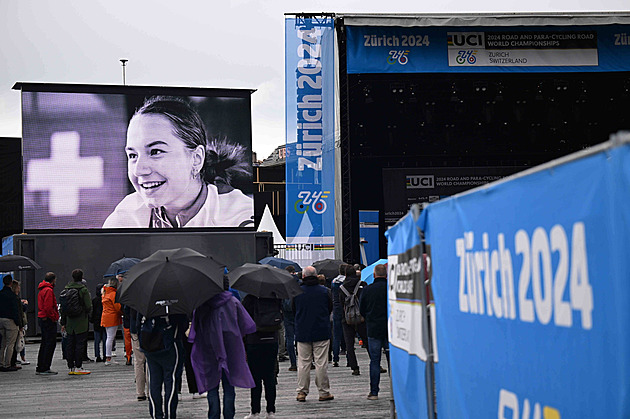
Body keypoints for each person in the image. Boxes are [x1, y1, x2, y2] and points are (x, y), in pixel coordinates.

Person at [103, 95, 254, 229]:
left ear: (196, 159)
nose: (138, 170)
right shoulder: (127, 215)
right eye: (132, 155)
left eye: (155, 152)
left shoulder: (241, 217)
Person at [189, 290, 256, 419]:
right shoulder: (233, 302)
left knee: (212, 386)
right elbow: (246, 325)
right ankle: (229, 415)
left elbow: (195, 329)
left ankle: (213, 415)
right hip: (231, 348)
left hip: (208, 349)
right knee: (229, 385)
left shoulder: (201, 305)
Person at [292, 266, 334, 402]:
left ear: (303, 276)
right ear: (316, 276)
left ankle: (302, 392)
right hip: (321, 330)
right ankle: (323, 392)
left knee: (303, 363)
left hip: (302, 331)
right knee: (321, 363)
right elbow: (330, 308)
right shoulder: (325, 291)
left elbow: (293, 309)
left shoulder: (296, 292)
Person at [137, 311, 188, 419]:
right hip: (170, 346)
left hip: (149, 347)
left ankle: (156, 414)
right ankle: (169, 413)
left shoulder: (145, 302)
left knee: (154, 382)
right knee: (171, 381)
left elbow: (137, 325)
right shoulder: (175, 303)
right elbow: (183, 325)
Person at [242, 294, 282, 418]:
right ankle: (271, 410)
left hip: (254, 341)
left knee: (255, 378)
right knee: (270, 377)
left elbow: (243, 320)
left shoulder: (249, 299)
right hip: (272, 340)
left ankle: (255, 411)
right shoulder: (275, 298)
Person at [359, 264, 390, 400]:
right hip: (390, 330)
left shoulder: (367, 290)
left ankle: (374, 392)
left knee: (375, 361)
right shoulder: (391, 289)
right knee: (392, 362)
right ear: (387, 275)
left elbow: (362, 309)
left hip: (373, 329)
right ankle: (397, 391)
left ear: (375, 275)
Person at [60, 269, 93, 375]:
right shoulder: (83, 290)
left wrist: (63, 322)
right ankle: (79, 366)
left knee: (70, 344)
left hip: (70, 322)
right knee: (80, 344)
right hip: (81, 321)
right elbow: (88, 306)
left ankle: (71, 366)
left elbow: (63, 308)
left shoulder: (66, 289)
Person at [340, 265, 369, 376]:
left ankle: (354, 367)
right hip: (362, 317)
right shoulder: (362, 285)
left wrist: (343, 318)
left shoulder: (342, 288)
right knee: (366, 340)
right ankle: (375, 362)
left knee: (349, 344)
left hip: (347, 319)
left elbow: (340, 304)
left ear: (346, 274)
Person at [36, 272, 59, 375]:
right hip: (48, 319)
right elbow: (49, 307)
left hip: (42, 318)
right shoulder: (49, 291)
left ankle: (40, 366)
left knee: (44, 343)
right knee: (50, 343)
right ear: (53, 280)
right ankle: (45, 367)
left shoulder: (42, 290)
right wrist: (54, 317)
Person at [0, 275, 21, 372]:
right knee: (10, 344)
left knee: (2, 343)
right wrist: (18, 323)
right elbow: (15, 311)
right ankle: (7, 364)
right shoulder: (12, 296)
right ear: (11, 283)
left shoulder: (1, 293)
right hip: (10, 321)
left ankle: (0, 362)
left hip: (1, 320)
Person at [101, 278, 122, 365]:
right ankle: (108, 357)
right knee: (110, 337)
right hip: (112, 317)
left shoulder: (105, 293)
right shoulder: (113, 294)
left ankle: (107, 357)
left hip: (105, 316)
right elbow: (117, 307)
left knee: (108, 337)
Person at [129, 307, 148, 401]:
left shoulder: (131, 294)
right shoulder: (151, 294)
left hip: (134, 330)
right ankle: (150, 390)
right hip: (148, 330)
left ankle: (140, 392)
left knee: (138, 361)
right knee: (149, 360)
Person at [330, 264, 347, 368]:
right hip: (345, 308)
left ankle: (335, 358)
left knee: (336, 335)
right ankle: (349, 357)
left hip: (336, 309)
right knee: (347, 334)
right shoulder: (347, 282)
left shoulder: (333, 282)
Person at [282, 266, 299, 372]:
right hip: (299, 313)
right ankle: (306, 361)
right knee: (302, 338)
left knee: (289, 338)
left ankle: (293, 363)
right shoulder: (299, 283)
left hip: (287, 314)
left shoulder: (283, 284)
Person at [92, 284, 107, 362]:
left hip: (96, 321)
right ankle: (105, 355)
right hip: (104, 320)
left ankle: (97, 356)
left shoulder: (94, 300)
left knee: (97, 340)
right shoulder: (105, 299)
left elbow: (92, 311)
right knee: (105, 339)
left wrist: (92, 319)